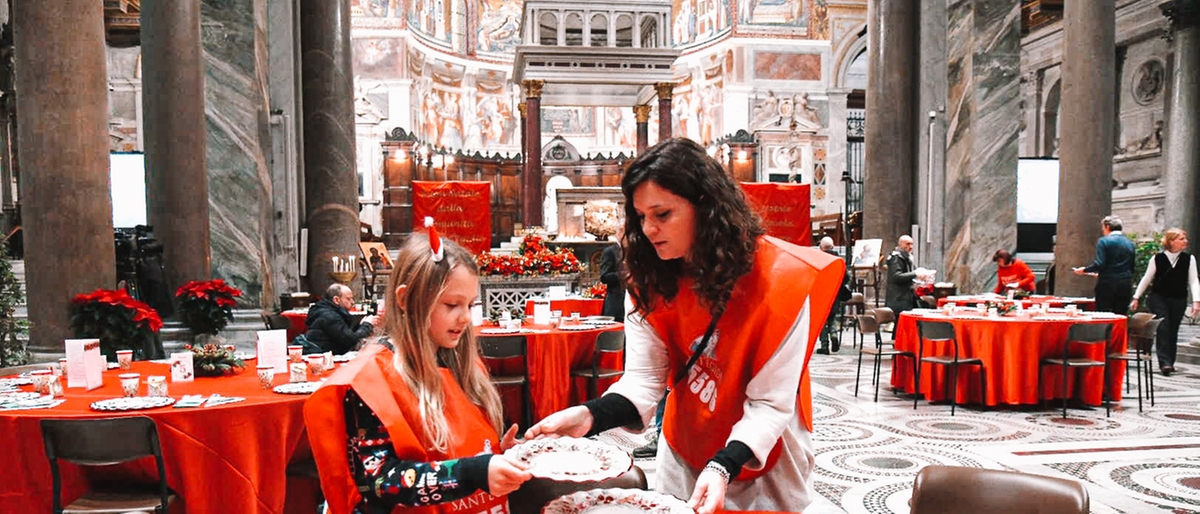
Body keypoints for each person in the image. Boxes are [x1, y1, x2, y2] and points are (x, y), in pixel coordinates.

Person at [524, 139, 845, 514]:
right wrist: (591, 414)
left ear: (705, 207)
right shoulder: (648, 278)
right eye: (641, 216)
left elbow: (771, 405)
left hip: (766, 456)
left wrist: (723, 465)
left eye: (662, 214)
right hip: (687, 441)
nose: (648, 229)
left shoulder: (783, 279)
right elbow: (644, 381)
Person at [304, 231, 531, 514]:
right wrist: (473, 472)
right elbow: (383, 482)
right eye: (452, 305)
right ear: (406, 299)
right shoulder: (370, 381)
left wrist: (499, 454)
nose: (465, 317)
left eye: (470, 304)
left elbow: (458, 448)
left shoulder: (463, 365)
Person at [1130, 228, 1200, 376]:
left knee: (1173, 329)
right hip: (1158, 298)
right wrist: (1136, 296)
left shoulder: (1189, 259)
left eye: (1185, 238)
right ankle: (1165, 362)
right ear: (1171, 241)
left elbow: (1194, 281)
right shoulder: (1157, 258)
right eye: (1181, 238)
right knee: (1163, 327)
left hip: (1179, 298)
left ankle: (1170, 361)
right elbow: (1146, 278)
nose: (1185, 241)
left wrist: (1196, 301)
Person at [1073, 215, 1136, 314]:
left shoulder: (1104, 241)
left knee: (1103, 314)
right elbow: (1131, 267)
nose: (1103, 230)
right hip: (1125, 283)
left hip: (1107, 284)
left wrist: (1084, 270)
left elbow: (1099, 264)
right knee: (1121, 314)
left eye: (1103, 228)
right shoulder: (1130, 243)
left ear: (1107, 227)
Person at [303, 283, 381, 355]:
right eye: (348, 299)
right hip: (322, 354)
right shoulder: (329, 316)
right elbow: (349, 340)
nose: (353, 302)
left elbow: (344, 333)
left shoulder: (329, 311)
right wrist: (366, 325)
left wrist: (360, 325)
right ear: (336, 300)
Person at [817, 236, 852, 355]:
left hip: (821, 294)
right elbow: (847, 277)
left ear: (821, 248)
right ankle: (833, 334)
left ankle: (824, 346)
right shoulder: (839, 260)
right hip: (835, 293)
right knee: (832, 317)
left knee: (821, 320)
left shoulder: (819, 259)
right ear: (832, 246)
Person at [885, 235, 927, 314]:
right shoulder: (896, 258)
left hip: (907, 297)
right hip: (899, 299)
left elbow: (910, 273)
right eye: (907, 244)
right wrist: (915, 274)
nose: (910, 247)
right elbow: (896, 276)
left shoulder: (907, 258)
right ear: (900, 245)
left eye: (912, 244)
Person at [599, 227, 626, 322]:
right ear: (618, 234)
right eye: (625, 232)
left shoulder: (634, 251)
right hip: (616, 304)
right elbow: (604, 277)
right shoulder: (610, 252)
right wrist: (624, 274)